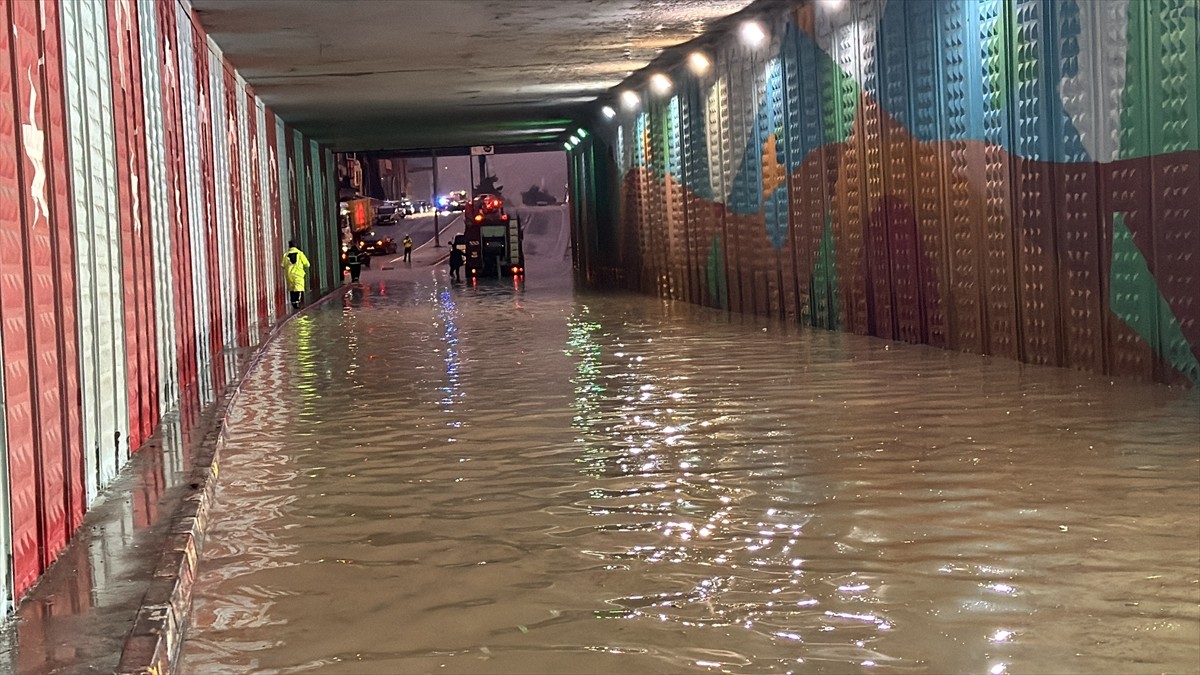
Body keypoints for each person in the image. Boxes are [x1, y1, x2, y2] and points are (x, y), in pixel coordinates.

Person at [281, 239, 311, 308]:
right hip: (298, 274)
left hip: (289, 275)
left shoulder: (286, 255)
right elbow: (307, 264)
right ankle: (297, 302)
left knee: (291, 289)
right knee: (298, 288)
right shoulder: (300, 254)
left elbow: (282, 265)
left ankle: (293, 302)